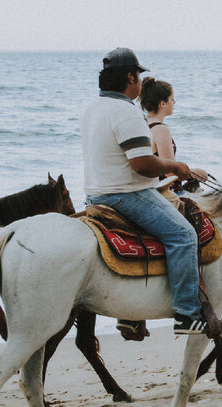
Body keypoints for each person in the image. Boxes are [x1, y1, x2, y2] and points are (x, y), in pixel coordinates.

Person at [81, 48, 215, 337]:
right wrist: (176, 167)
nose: (139, 82)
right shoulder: (126, 111)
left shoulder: (93, 106)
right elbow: (142, 164)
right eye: (138, 75)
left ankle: (132, 313)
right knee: (183, 235)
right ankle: (187, 314)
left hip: (94, 195)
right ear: (130, 77)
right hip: (126, 194)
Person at [138, 78, 189, 194]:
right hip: (164, 190)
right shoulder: (161, 129)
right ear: (162, 103)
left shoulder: (143, 123)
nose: (174, 102)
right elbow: (170, 173)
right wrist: (193, 173)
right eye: (172, 99)